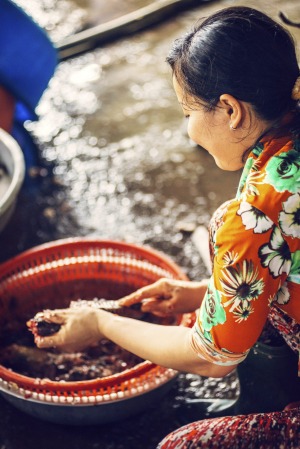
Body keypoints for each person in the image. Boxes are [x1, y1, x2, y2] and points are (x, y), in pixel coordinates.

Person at [35, 6, 300, 448]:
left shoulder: (254, 216)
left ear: (231, 110)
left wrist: (100, 323)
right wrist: (203, 291)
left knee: (177, 445)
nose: (189, 130)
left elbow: (209, 357)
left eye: (186, 112)